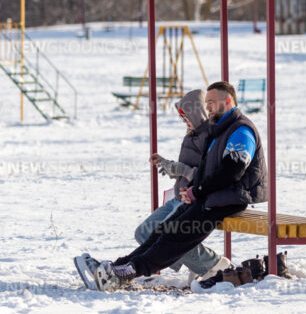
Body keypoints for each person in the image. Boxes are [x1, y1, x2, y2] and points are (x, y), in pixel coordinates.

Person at [91, 81, 268, 291]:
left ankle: (130, 271)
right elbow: (208, 171)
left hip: (227, 199)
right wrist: (194, 191)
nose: (208, 106)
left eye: (211, 102)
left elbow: (231, 172)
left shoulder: (241, 130)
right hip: (210, 197)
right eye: (206, 102)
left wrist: (198, 190)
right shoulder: (220, 131)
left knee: (176, 235)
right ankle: (121, 265)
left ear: (228, 101)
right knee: (164, 230)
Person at [140, 89, 232, 282]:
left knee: (167, 236)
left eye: (186, 117)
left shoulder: (211, 136)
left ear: (197, 112)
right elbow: (188, 169)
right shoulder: (191, 135)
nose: (185, 122)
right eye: (182, 119)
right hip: (179, 196)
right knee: (144, 232)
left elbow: (210, 174)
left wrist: (182, 170)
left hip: (194, 199)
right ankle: (202, 264)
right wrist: (169, 165)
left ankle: (213, 265)